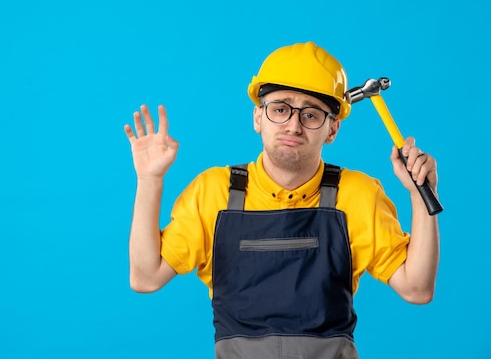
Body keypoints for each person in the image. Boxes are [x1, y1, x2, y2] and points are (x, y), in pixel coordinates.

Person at [123, 41, 440, 359]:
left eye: (311, 114)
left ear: (332, 129)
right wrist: (149, 180)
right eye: (280, 109)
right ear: (258, 117)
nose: (293, 125)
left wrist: (421, 196)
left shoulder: (357, 194)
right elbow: (146, 277)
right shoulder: (213, 192)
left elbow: (417, 288)